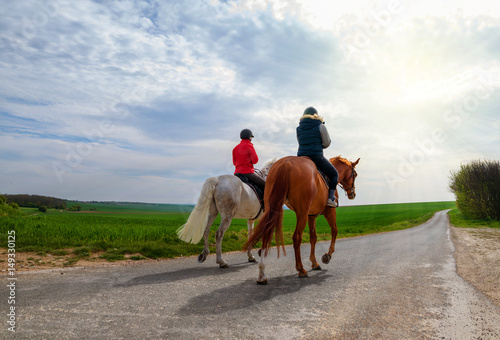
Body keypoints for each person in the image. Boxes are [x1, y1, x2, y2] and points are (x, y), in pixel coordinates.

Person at [296, 107, 339, 207]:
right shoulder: (320, 126)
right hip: (316, 157)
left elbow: (300, 142)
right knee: (334, 174)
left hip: (301, 159)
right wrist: (320, 145)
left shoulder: (298, 128)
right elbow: (327, 143)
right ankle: (330, 199)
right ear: (316, 115)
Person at [232, 129, 265, 193]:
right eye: (251, 137)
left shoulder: (235, 148)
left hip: (237, 173)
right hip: (248, 173)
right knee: (266, 185)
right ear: (249, 137)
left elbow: (234, 163)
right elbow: (255, 160)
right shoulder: (249, 146)